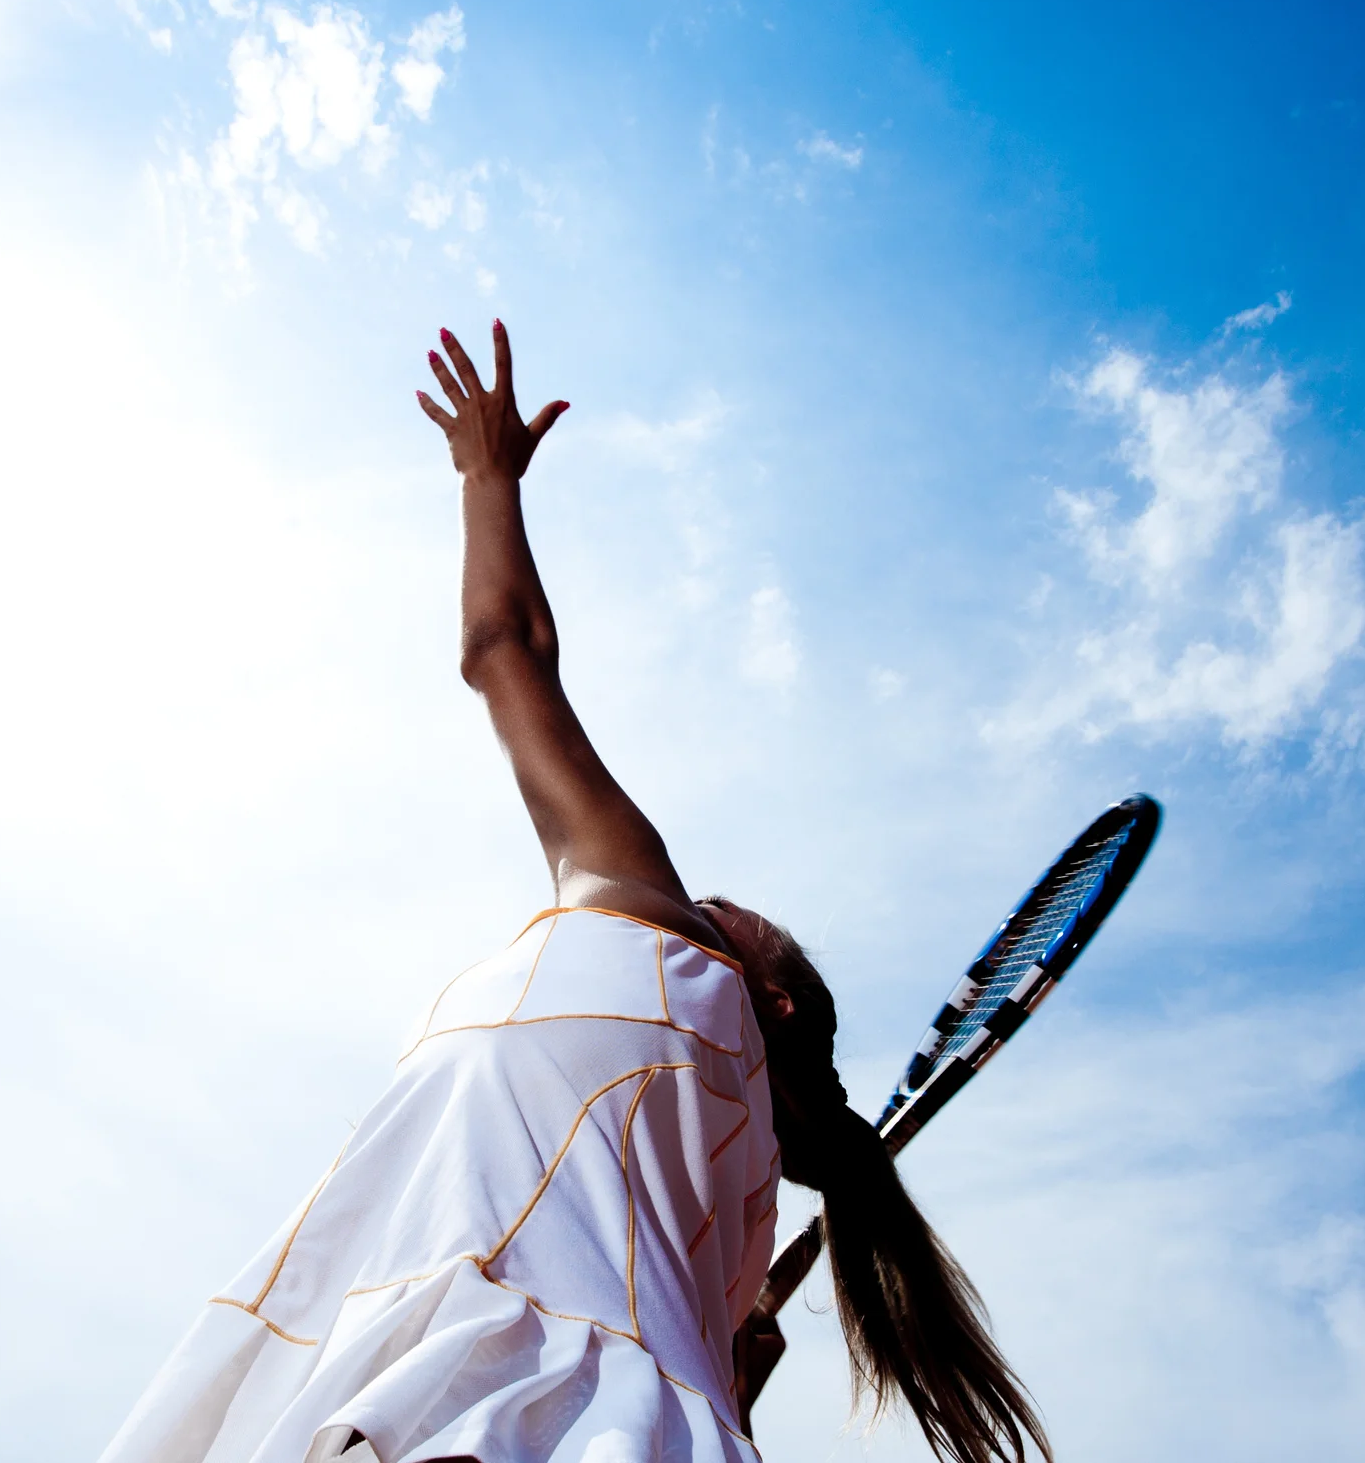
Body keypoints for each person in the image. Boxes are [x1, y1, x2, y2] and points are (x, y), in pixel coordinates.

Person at [97, 323, 1050, 1463]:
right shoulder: (724, 1247)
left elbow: (505, 649)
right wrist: (731, 1380)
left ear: (767, 992)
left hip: (442, 1388)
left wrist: (486, 479)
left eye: (742, 915)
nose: (717, 899)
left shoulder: (657, 930)